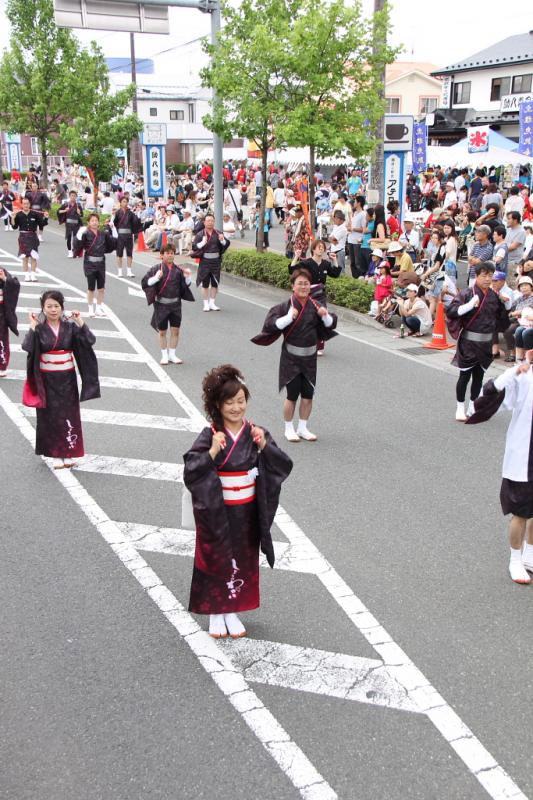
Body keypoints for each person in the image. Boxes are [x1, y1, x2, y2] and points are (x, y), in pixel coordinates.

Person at [183, 364, 292, 638]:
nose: (236, 407)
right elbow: (191, 469)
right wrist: (211, 452)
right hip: (217, 511)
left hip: (246, 511)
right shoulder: (211, 435)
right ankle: (214, 613)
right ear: (217, 405)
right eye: (229, 402)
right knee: (215, 559)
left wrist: (265, 447)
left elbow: (283, 466)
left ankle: (231, 610)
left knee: (242, 559)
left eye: (240, 401)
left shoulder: (256, 433)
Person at [466, 350, 533, 584]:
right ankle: (515, 559)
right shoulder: (523, 377)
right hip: (525, 455)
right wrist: (513, 370)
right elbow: (490, 395)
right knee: (521, 511)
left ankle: (530, 554)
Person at [252, 268, 337, 442]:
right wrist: (289, 318)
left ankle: (303, 428)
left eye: (306, 283)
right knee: (292, 395)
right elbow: (271, 324)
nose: (304, 286)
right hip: (291, 358)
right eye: (300, 283)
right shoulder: (285, 306)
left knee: (308, 395)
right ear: (293, 286)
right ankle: (288, 428)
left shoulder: (315, 305)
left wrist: (326, 316)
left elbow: (331, 324)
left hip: (310, 358)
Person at [21, 290, 100, 470]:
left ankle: (69, 451)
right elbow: (27, 346)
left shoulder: (70, 327)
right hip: (46, 380)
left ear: (62, 307)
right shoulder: (40, 328)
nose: (53, 309)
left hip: (67, 379)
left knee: (68, 415)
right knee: (50, 416)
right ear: (43, 307)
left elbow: (90, 340)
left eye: (56, 306)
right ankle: (55, 453)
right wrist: (32, 326)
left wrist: (80, 321)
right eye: (49, 306)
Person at [447, 262, 511, 421]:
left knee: (478, 377)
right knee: (464, 377)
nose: (488, 279)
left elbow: (502, 320)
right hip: (469, 342)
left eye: (490, 276)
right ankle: (460, 407)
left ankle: (472, 406)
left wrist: (506, 304)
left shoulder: (494, 296)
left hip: (485, 344)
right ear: (477, 276)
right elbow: (451, 311)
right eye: (484, 275)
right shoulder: (467, 294)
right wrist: (469, 305)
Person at [141, 242, 194, 365]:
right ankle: (164, 355)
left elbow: (185, 287)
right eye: (167, 253)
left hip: (175, 305)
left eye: (172, 253)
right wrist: (156, 278)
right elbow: (145, 283)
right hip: (161, 305)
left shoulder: (178, 270)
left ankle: (173, 354)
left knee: (175, 331)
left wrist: (187, 277)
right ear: (162, 255)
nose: (170, 255)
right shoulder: (156, 269)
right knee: (162, 332)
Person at [75, 213, 116, 317]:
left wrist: (114, 230)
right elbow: (78, 246)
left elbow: (111, 245)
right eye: (92, 220)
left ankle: (98, 308)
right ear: (88, 222)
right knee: (91, 288)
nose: (94, 222)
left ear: (98, 222)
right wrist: (79, 235)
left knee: (101, 288)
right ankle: (90, 309)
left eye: (96, 220)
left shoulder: (103, 234)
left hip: (101, 263)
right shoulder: (85, 233)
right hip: (89, 263)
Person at [190, 212, 230, 312]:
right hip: (205, 261)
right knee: (205, 283)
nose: (210, 223)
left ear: (214, 222)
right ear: (204, 222)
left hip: (216, 261)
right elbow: (194, 247)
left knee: (215, 283)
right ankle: (206, 303)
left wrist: (222, 241)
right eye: (208, 221)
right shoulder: (200, 234)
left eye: (212, 221)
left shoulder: (218, 233)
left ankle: (212, 303)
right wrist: (202, 243)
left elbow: (226, 244)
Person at [12, 196, 44, 282]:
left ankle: (33, 275)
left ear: (30, 204)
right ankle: (26, 275)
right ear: (22, 204)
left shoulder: (35, 214)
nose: (26, 205)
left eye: (27, 204)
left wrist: (46, 217)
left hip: (33, 237)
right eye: (24, 204)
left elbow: (42, 224)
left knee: (34, 257)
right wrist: (13, 218)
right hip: (23, 237)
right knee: (25, 257)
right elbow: (14, 227)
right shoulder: (19, 214)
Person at [112, 196, 142, 278]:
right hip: (121, 235)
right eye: (123, 201)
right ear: (120, 203)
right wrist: (119, 230)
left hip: (129, 235)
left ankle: (129, 271)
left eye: (126, 201)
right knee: (119, 254)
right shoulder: (117, 213)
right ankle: (120, 271)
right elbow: (115, 223)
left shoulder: (131, 213)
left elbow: (135, 222)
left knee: (129, 253)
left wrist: (138, 215)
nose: (125, 203)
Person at [0, 266, 20, 377]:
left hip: (0, 313)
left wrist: (5, 279)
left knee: (1, 339)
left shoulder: (1, 271)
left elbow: (15, 285)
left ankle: (2, 366)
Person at [57, 190, 84, 258]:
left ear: (76, 197)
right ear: (69, 196)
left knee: (76, 238)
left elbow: (82, 215)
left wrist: (79, 213)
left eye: (74, 196)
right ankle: (69, 252)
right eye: (72, 196)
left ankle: (75, 251)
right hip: (68, 224)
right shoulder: (66, 204)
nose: (73, 197)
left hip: (76, 224)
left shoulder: (78, 205)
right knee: (69, 238)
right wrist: (64, 210)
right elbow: (58, 211)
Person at [347, 195, 366, 277]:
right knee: (352, 262)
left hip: (357, 241)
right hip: (351, 239)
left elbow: (363, 229)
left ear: (359, 203)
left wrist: (353, 229)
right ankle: (354, 279)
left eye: (355, 201)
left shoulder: (363, 214)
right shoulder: (354, 213)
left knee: (358, 262)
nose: (354, 203)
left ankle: (359, 279)